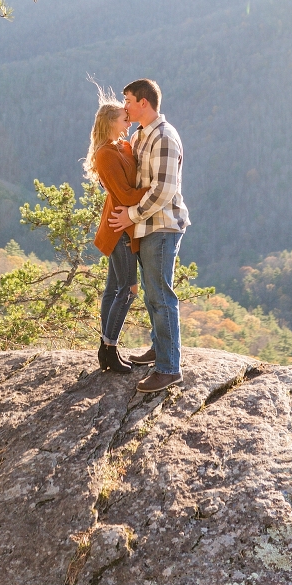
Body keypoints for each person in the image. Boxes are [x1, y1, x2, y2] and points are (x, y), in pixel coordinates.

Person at [109, 78, 190, 394]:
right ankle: (159, 349)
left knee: (160, 293)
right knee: (152, 290)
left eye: (127, 100)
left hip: (162, 225)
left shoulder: (165, 138)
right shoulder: (143, 134)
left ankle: (169, 368)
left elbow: (164, 189)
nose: (124, 106)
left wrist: (130, 214)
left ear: (143, 102)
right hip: (149, 225)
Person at [84, 97, 147, 375]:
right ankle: (109, 347)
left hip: (124, 224)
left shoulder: (122, 146)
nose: (129, 121)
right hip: (119, 227)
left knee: (113, 289)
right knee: (128, 290)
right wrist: (158, 192)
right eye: (124, 118)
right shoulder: (105, 154)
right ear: (111, 122)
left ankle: (106, 349)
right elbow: (125, 195)